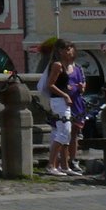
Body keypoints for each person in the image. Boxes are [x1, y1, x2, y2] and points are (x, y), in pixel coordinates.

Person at [37, 41, 74, 176]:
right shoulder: (57, 65)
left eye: (70, 49)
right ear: (60, 50)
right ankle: (51, 164)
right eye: (67, 49)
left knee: (66, 134)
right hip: (59, 102)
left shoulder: (63, 65)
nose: (70, 52)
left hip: (61, 101)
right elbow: (50, 85)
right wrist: (65, 95)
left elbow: (58, 83)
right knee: (63, 132)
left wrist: (67, 88)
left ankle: (65, 165)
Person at [64, 44, 88, 175]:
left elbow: (83, 87)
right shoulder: (60, 67)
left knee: (74, 133)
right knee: (64, 132)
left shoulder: (78, 68)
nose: (69, 54)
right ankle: (63, 160)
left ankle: (73, 159)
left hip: (76, 102)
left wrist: (80, 87)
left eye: (71, 52)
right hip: (64, 102)